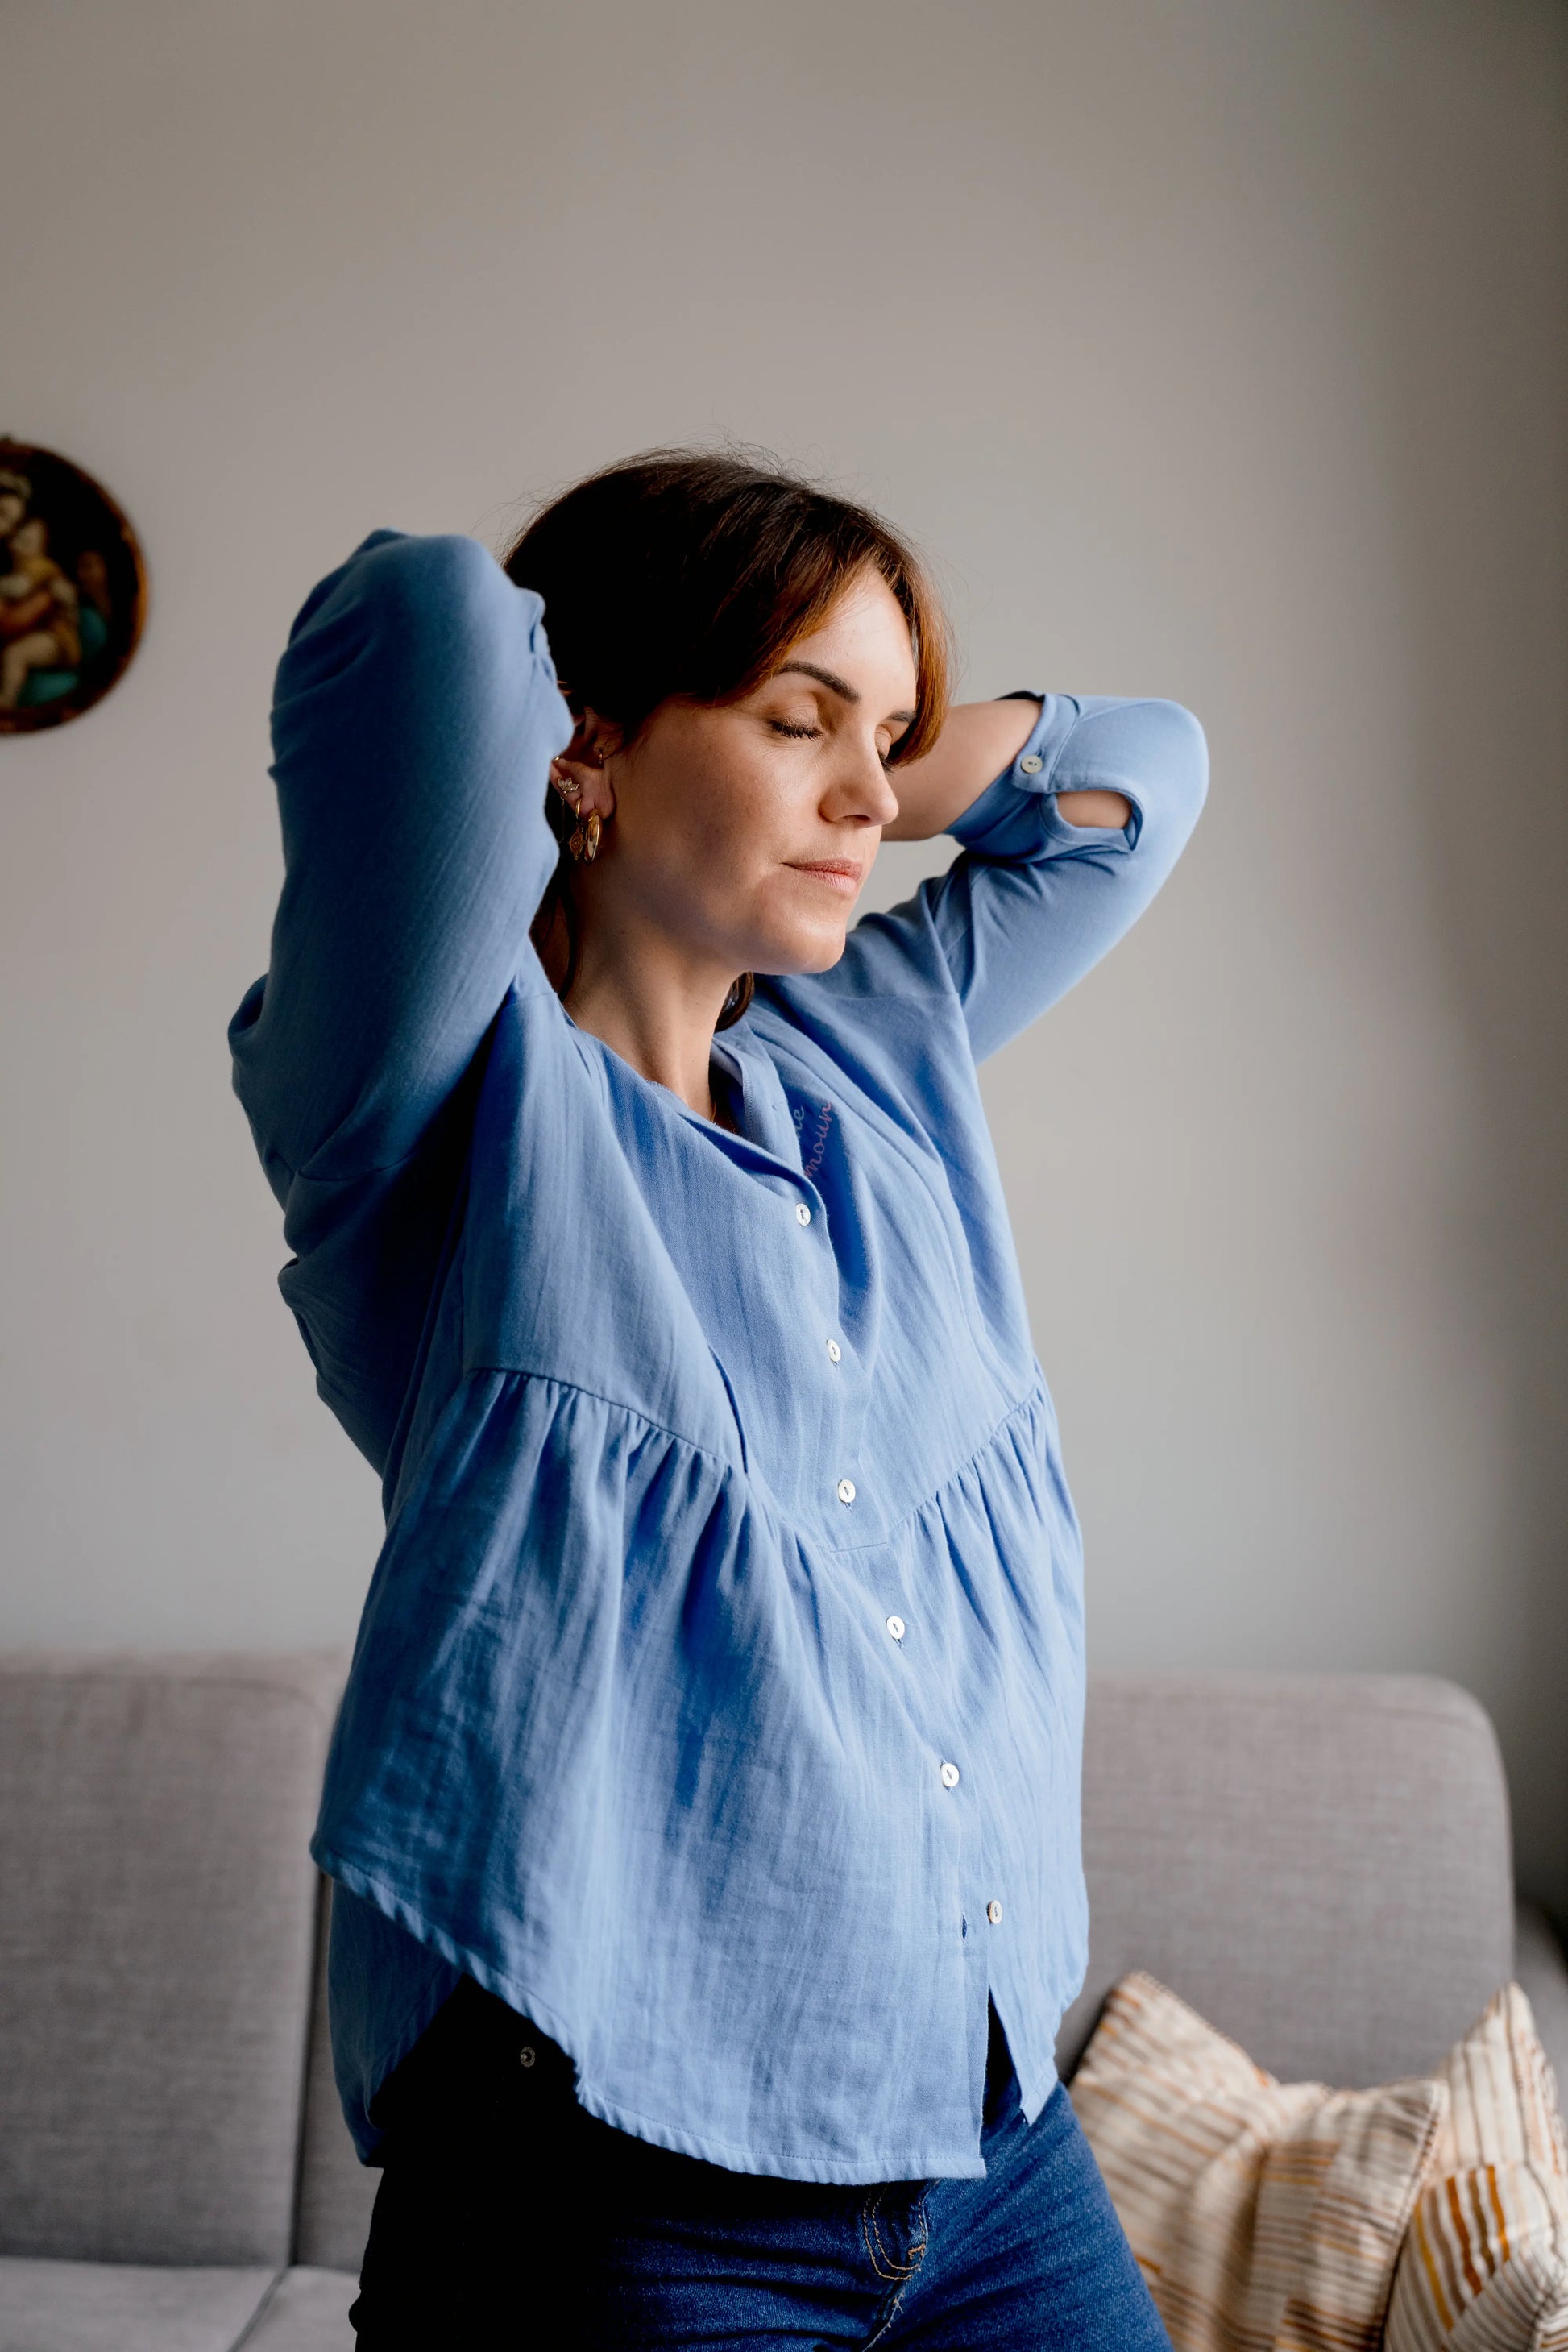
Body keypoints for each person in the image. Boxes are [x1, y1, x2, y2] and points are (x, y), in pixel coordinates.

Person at [230, 450, 1207, 2347]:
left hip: (988, 2148)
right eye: (797, 719)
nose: (871, 799)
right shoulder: (434, 1101)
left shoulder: (877, 1049)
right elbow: (424, 625)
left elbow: (1141, 778)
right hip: (603, 2181)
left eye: (895, 740)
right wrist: (644, 741)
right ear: (584, 742)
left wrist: (828, 759)